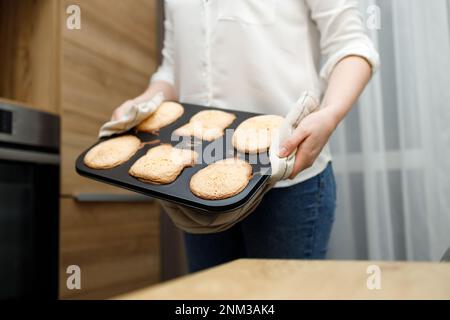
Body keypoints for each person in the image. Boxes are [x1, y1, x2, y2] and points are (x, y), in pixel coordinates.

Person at [111, 0, 379, 272]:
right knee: (210, 298)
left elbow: (351, 45)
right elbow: (172, 68)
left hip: (288, 180)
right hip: (195, 180)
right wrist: (143, 103)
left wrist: (330, 114)